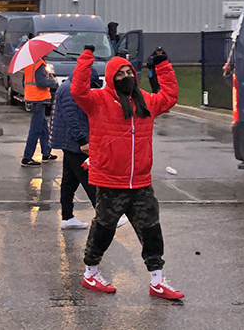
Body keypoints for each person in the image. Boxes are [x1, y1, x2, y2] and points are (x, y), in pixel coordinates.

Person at [71, 44, 183, 300]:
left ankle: (157, 280)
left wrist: (163, 65)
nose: (125, 77)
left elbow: (170, 95)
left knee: (151, 230)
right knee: (104, 228)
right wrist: (86, 58)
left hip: (141, 183)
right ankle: (91, 272)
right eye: (119, 74)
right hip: (110, 181)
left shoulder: (146, 101)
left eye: (128, 72)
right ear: (111, 78)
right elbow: (78, 91)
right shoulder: (98, 101)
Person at [50, 68, 131, 230]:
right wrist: (82, 140)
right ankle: (108, 217)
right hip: (74, 142)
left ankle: (67, 216)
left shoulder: (69, 87)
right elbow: (72, 119)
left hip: (69, 141)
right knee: (90, 179)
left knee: (69, 181)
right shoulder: (70, 91)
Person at [20, 57, 58, 167]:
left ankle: (46, 152)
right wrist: (53, 82)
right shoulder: (40, 64)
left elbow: (24, 82)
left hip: (31, 98)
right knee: (35, 130)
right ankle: (27, 157)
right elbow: (41, 82)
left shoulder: (29, 64)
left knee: (43, 128)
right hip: (39, 99)